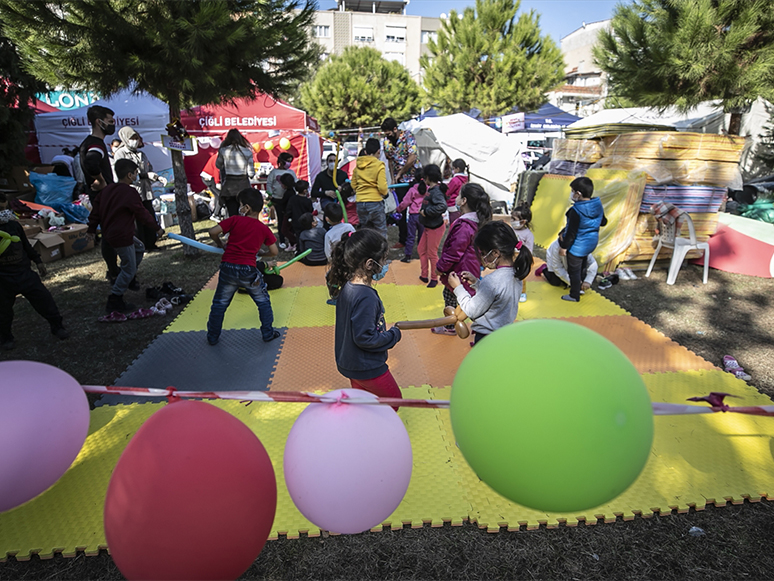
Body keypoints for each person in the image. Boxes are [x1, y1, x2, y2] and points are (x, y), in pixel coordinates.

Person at [329, 228, 402, 404]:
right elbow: (365, 338)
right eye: (384, 260)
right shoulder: (366, 297)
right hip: (368, 366)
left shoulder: (348, 287)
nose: (386, 265)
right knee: (395, 401)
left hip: (350, 363)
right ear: (369, 264)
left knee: (363, 402)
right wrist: (393, 335)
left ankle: (365, 427)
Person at [87, 159, 164, 314]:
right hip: (122, 235)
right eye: (135, 173)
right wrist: (156, 228)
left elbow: (95, 212)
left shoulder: (107, 191)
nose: (136, 175)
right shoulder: (130, 192)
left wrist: (91, 229)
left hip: (110, 234)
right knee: (128, 269)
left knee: (139, 247)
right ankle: (115, 298)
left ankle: (126, 278)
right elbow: (142, 213)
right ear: (130, 175)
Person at [206, 188, 280, 346]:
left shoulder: (234, 220)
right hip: (248, 270)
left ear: (246, 208)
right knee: (263, 302)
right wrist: (261, 254)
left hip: (228, 268)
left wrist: (221, 244)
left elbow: (212, 231)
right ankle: (268, 333)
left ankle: (212, 336)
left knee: (219, 304)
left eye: (240, 205)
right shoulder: (263, 229)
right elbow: (274, 251)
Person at [0, 193, 70, 350]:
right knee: (3, 311)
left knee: (44, 300)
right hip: (3, 279)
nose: (3, 213)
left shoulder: (14, 226)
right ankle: (5, 337)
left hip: (24, 273)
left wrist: (38, 261)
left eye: (4, 209)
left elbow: (26, 246)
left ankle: (57, 326)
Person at [447, 221, 533, 345]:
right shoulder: (516, 273)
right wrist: (476, 283)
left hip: (487, 338)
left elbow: (471, 310)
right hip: (503, 335)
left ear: (495, 253)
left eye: (483, 253)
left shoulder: (492, 281)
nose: (482, 258)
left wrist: (458, 287)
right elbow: (496, 297)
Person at [434, 183, 492, 335]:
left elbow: (454, 252)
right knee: (459, 299)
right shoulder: (474, 222)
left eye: (459, 195)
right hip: (467, 269)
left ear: (464, 201)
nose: (456, 198)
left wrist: (440, 267)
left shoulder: (465, 226)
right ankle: (456, 326)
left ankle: (454, 327)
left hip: (459, 272)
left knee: (456, 299)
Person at [79, 105, 119, 281]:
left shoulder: (93, 143)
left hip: (103, 197)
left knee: (110, 236)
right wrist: (101, 181)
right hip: (103, 197)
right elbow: (91, 163)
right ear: (99, 122)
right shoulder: (95, 144)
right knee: (111, 236)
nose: (112, 124)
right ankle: (113, 271)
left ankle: (114, 270)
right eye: (110, 121)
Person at [113, 127, 165, 251]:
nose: (135, 141)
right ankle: (140, 246)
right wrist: (145, 176)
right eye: (132, 138)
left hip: (146, 191)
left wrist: (156, 177)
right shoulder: (121, 154)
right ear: (125, 139)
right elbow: (125, 174)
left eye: (136, 138)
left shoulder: (141, 154)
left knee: (149, 216)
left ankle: (151, 244)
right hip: (132, 192)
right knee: (137, 222)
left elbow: (149, 168)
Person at [559, 177, 607, 302]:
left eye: (572, 191)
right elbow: (603, 222)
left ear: (578, 193)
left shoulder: (575, 211)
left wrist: (564, 247)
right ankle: (580, 287)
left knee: (573, 270)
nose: (571, 193)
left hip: (577, 245)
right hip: (591, 243)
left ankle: (574, 295)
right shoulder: (597, 205)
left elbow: (571, 233)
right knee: (583, 265)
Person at [382, 117, 421, 249]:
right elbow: (390, 160)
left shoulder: (409, 136)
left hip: (414, 179)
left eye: (389, 133)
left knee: (418, 210)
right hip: (399, 182)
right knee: (401, 210)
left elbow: (412, 157)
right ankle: (403, 239)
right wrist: (393, 178)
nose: (388, 136)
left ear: (395, 129)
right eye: (385, 134)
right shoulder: (387, 142)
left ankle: (421, 239)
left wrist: (400, 173)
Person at [414, 164, 447, 288]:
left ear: (427, 177)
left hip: (435, 228)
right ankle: (424, 275)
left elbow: (442, 206)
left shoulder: (436, 191)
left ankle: (434, 278)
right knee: (421, 250)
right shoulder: (431, 190)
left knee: (432, 253)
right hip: (428, 227)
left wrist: (426, 212)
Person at [351, 138, 388, 238]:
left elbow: (353, 185)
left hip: (360, 203)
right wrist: (385, 193)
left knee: (365, 230)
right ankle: (381, 252)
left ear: (366, 151)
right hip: (375, 202)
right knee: (380, 230)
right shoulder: (379, 165)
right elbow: (382, 187)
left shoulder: (358, 165)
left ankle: (366, 251)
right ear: (379, 152)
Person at [215, 128, 255, 218]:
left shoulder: (224, 151)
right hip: (243, 185)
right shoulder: (247, 152)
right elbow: (251, 174)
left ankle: (233, 230)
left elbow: (218, 165)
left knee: (232, 213)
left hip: (229, 186)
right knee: (244, 213)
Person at [395, 168, 426, 264]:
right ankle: (422, 255)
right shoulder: (428, 189)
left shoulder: (412, 190)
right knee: (422, 237)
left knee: (410, 237)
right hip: (423, 215)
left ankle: (408, 256)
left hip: (413, 216)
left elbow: (405, 202)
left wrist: (398, 209)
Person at [266, 152, 296, 248]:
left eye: (290, 162)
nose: (289, 163)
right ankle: (282, 240)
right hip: (277, 200)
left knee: (290, 221)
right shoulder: (274, 173)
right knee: (281, 220)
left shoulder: (291, 172)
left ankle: (292, 240)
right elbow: (269, 184)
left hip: (289, 201)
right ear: (281, 162)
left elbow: (296, 183)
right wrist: (270, 195)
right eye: (287, 161)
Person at [511, 204, 534, 303]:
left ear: (523, 221)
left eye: (514, 219)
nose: (512, 221)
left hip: (521, 258)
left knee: (521, 277)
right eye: (511, 218)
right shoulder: (511, 230)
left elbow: (529, 249)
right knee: (509, 275)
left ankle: (522, 292)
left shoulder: (528, 234)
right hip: (510, 257)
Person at [446, 159, 469, 224]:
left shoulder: (455, 180)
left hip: (452, 205)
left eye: (453, 169)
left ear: (457, 169)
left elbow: (447, 192)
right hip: (460, 205)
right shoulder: (466, 179)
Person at [200, 153, 223, 220]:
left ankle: (216, 214)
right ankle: (216, 214)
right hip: (209, 178)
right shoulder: (218, 158)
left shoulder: (217, 156)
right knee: (220, 196)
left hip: (208, 177)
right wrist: (217, 182)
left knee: (217, 195)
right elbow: (217, 170)